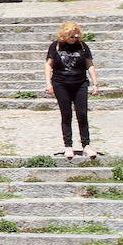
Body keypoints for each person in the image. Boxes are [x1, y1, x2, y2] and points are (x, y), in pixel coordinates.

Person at [45, 20, 99, 159]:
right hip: (61, 83)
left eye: (76, 36)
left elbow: (90, 65)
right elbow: (48, 65)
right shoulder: (56, 46)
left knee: (82, 114)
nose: (75, 38)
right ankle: (68, 145)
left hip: (80, 83)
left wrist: (95, 83)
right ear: (64, 35)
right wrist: (48, 83)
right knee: (66, 114)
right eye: (72, 36)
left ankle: (86, 144)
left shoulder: (82, 46)